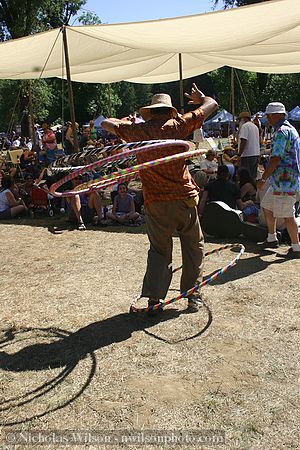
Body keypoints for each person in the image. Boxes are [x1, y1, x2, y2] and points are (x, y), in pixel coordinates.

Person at [102, 83, 218, 314]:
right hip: (184, 198)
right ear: (169, 110)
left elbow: (106, 123)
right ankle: (192, 296)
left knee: (159, 250)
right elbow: (212, 104)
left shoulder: (137, 131)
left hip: (155, 201)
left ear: (150, 111)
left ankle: (155, 300)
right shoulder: (177, 125)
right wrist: (200, 97)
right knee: (194, 247)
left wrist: (127, 120)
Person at [257, 102, 300, 258]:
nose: (267, 118)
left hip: (284, 182)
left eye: (268, 115)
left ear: (276, 115)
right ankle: (272, 238)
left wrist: (263, 178)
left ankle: (296, 248)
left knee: (288, 216)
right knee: (266, 206)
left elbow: (276, 158)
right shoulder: (291, 129)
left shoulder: (281, 132)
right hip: (283, 181)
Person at [237, 111, 260, 179]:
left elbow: (243, 141)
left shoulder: (245, 126)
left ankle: (247, 189)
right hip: (255, 154)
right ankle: (253, 189)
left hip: (247, 155)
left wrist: (239, 154)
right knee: (253, 176)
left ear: (243, 119)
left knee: (245, 176)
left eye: (239, 120)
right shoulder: (255, 127)